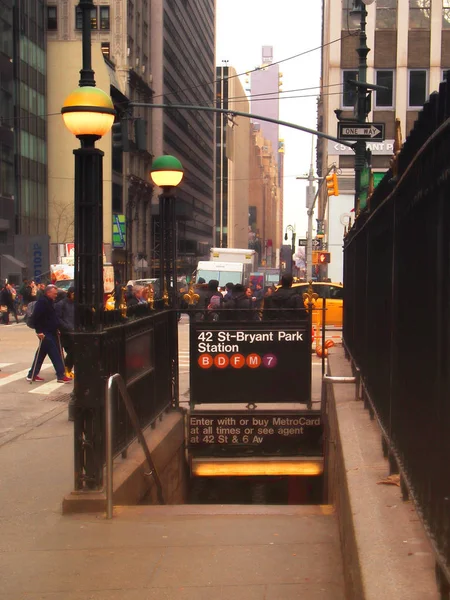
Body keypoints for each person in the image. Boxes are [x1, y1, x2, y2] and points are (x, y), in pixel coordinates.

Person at [26, 284, 71, 383]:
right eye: (54, 294)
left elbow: (52, 317)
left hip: (51, 331)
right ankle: (61, 375)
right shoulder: (42, 302)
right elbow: (36, 318)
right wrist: (39, 331)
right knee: (55, 353)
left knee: (41, 354)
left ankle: (32, 374)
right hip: (45, 332)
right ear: (48, 292)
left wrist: (57, 328)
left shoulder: (50, 301)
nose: (56, 295)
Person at [55, 285, 75, 376]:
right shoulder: (61, 304)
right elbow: (58, 318)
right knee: (71, 350)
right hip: (65, 332)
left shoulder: (75, 304)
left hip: (74, 331)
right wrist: (66, 327)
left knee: (74, 351)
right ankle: (66, 368)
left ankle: (68, 368)